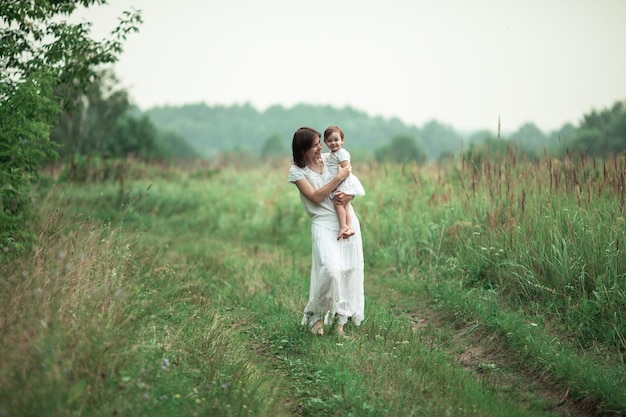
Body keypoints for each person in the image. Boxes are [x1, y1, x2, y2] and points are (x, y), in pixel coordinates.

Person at [287, 126, 365, 337]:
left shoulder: (330, 158)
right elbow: (315, 196)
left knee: (348, 270)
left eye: (320, 143)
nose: (320, 147)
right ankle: (316, 317)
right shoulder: (297, 172)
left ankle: (341, 322)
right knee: (330, 269)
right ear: (302, 149)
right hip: (322, 223)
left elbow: (348, 181)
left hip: (347, 220)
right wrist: (338, 178)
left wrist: (350, 196)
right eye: (314, 145)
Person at [323, 125, 365, 240]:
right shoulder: (334, 154)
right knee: (345, 205)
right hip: (341, 181)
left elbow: (345, 169)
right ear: (325, 142)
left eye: (336, 140)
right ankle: (349, 227)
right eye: (329, 140)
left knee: (338, 203)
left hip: (343, 182)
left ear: (342, 140)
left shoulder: (340, 153)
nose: (333, 143)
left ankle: (343, 226)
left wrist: (336, 183)